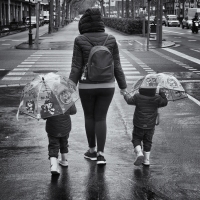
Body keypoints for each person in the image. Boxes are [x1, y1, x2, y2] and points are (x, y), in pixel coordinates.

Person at [69, 8, 127, 165]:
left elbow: (76, 67)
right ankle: (101, 154)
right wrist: (123, 86)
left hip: (87, 85)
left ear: (84, 23)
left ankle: (92, 151)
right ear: (101, 22)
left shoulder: (80, 40)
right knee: (101, 118)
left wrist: (69, 87)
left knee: (89, 117)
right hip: (107, 85)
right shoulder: (111, 39)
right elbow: (117, 66)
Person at [121, 88, 168, 166]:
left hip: (138, 124)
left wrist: (125, 94)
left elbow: (129, 100)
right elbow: (165, 102)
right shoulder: (157, 98)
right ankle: (146, 160)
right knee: (148, 141)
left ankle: (139, 152)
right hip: (150, 126)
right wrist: (162, 93)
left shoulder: (137, 96)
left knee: (136, 138)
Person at [45, 103, 77, 175]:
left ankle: (53, 166)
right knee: (64, 143)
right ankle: (64, 160)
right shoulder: (67, 100)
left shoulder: (49, 101)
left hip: (52, 128)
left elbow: (44, 115)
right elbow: (73, 111)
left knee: (53, 146)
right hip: (65, 128)